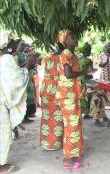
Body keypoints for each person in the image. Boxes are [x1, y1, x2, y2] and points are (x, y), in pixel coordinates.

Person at [0, 34, 37, 173]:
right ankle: (1, 166)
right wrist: (30, 62)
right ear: (8, 46)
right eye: (13, 42)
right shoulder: (7, 59)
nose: (15, 45)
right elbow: (18, 78)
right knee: (3, 134)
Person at [56, 29, 88, 170]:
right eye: (72, 37)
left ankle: (76, 152)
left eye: (75, 36)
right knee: (72, 125)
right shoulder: (66, 54)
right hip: (67, 95)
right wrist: (83, 72)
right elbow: (68, 74)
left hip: (72, 94)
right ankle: (68, 158)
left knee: (75, 123)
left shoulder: (71, 54)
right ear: (65, 41)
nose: (75, 39)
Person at [40, 45, 64, 151]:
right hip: (57, 88)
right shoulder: (62, 59)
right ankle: (56, 144)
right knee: (58, 116)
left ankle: (46, 144)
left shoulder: (45, 59)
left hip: (46, 87)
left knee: (46, 116)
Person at [15, 42, 37, 123]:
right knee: (23, 98)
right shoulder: (16, 55)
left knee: (29, 98)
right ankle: (22, 118)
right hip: (22, 79)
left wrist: (32, 62)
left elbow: (28, 65)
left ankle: (26, 116)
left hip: (28, 78)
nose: (24, 47)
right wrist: (28, 61)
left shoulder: (23, 54)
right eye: (22, 45)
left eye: (25, 45)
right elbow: (18, 67)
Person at [79, 42, 94, 119]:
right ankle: (87, 113)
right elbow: (90, 71)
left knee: (80, 96)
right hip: (86, 81)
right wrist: (91, 76)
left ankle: (80, 112)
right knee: (88, 96)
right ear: (88, 51)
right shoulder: (88, 60)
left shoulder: (78, 59)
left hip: (78, 80)